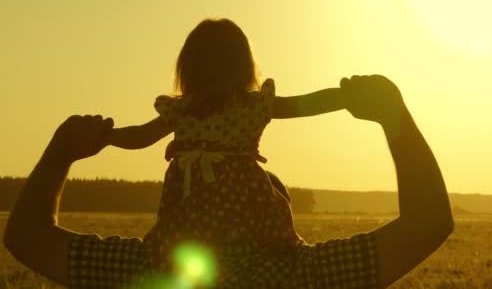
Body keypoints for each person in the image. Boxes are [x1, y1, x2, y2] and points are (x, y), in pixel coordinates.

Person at [4, 74, 454, 288]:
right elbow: (428, 222)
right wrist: (394, 118)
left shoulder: (143, 273)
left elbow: (27, 237)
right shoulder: (310, 276)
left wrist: (61, 153)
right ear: (280, 211)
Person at [107, 18, 349, 273]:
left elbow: (140, 136)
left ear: (188, 69)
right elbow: (303, 105)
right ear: (243, 67)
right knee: (259, 261)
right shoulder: (238, 107)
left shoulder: (185, 110)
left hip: (190, 218)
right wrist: (345, 96)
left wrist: (105, 136)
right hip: (242, 217)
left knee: (182, 262)